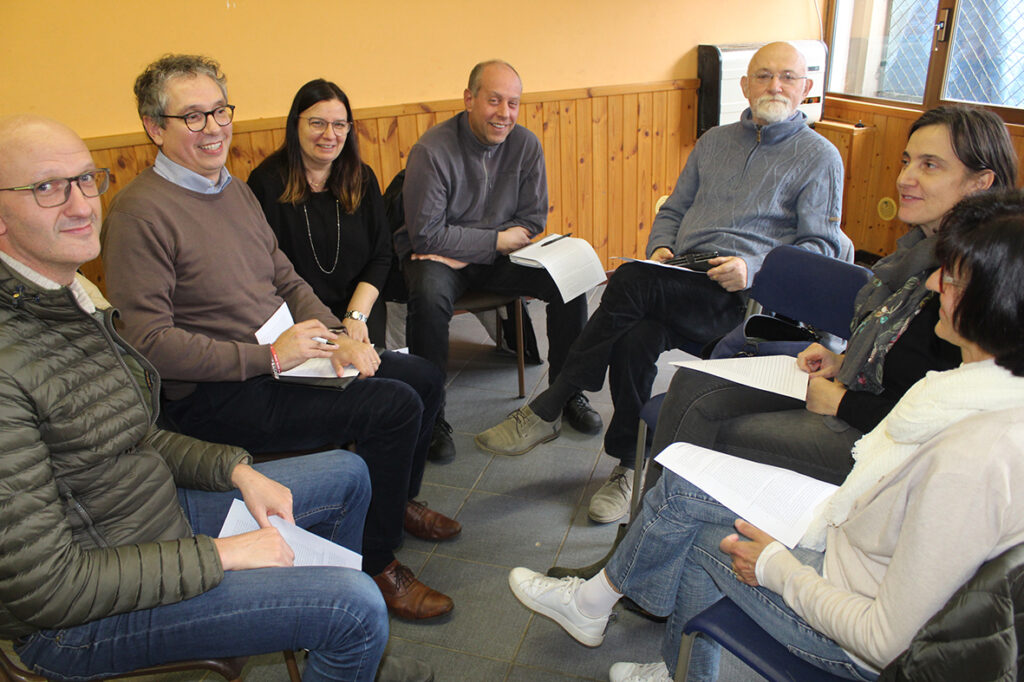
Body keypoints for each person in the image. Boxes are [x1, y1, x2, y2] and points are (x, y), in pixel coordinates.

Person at [507, 188, 1024, 682]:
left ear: (999, 299)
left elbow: (886, 642)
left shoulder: (974, 460)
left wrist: (776, 566)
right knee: (689, 479)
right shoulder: (973, 392)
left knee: (702, 527)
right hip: (853, 547)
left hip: (853, 637)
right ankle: (634, 636)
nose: (933, 286)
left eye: (951, 278)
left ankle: (606, 613)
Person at [0, 114, 387, 681]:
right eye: (47, 188)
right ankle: (345, 634)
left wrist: (235, 470)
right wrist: (224, 555)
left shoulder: (72, 296)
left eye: (86, 180)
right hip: (80, 619)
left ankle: (338, 652)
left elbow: (135, 433)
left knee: (349, 474)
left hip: (148, 517)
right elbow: (48, 590)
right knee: (355, 605)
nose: (82, 205)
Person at [101, 54, 455, 621]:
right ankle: (375, 559)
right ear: (154, 127)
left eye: (219, 110)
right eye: (192, 116)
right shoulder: (139, 214)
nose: (213, 127)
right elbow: (148, 344)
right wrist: (268, 356)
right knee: (391, 406)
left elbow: (287, 279)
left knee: (423, 376)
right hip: (217, 395)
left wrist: (341, 336)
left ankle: (392, 501)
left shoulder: (233, 191)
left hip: (281, 360)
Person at [477, 42, 850, 524]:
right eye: (762, 76)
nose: (773, 86)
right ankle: (629, 465)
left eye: (786, 77)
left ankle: (552, 403)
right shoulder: (714, 141)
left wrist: (753, 269)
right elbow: (673, 209)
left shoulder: (820, 157)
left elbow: (820, 251)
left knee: (629, 282)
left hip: (746, 303)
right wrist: (660, 250)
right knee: (634, 333)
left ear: (806, 88)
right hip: (684, 277)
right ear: (744, 84)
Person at [247, 78, 462, 474]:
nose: (330, 135)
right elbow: (266, 272)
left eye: (340, 125)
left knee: (388, 378)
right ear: (296, 124)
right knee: (359, 387)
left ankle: (390, 474)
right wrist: (331, 330)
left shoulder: (359, 177)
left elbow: (381, 256)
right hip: (295, 313)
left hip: (356, 304)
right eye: (317, 123)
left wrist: (356, 317)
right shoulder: (266, 183)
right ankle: (348, 467)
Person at [395, 58, 601, 457]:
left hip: (498, 255)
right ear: (469, 99)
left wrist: (483, 246)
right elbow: (425, 234)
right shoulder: (431, 150)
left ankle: (565, 393)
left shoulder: (526, 145)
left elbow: (531, 220)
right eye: (494, 101)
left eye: (513, 103)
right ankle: (431, 416)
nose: (504, 114)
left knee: (570, 277)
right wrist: (492, 242)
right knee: (429, 292)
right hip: (442, 261)